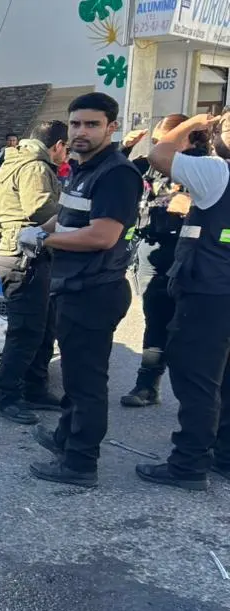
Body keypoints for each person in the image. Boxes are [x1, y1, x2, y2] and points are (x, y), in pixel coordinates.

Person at [18, 93, 143, 487]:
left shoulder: (116, 174)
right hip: (73, 287)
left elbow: (103, 236)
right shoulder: (83, 169)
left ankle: (80, 464)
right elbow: (69, 215)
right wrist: (42, 229)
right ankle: (65, 439)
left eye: (92, 124)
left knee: (86, 383)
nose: (81, 132)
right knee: (73, 377)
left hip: (94, 290)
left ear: (111, 127)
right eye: (75, 124)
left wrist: (44, 242)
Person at [132, 113, 230, 491]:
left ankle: (188, 465)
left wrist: (194, 121)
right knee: (224, 380)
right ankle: (223, 455)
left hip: (208, 292)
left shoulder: (218, 172)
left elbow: (160, 154)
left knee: (197, 381)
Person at [117, 115, 208, 408]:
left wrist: (188, 206)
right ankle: (147, 385)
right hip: (152, 250)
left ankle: (199, 397)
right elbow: (115, 175)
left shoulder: (205, 166)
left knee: (192, 325)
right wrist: (124, 148)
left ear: (190, 136)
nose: (158, 147)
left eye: (165, 141)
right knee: (155, 318)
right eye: (156, 142)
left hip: (191, 254)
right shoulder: (150, 165)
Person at [0, 121, 69, 425]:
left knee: (45, 328)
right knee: (26, 332)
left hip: (24, 253)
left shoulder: (13, 161)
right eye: (66, 148)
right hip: (25, 256)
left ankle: (35, 388)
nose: (66, 155)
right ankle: (9, 397)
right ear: (58, 145)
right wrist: (78, 210)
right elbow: (40, 210)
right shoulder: (35, 167)